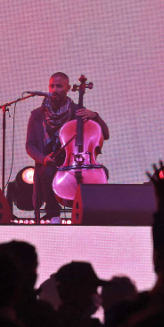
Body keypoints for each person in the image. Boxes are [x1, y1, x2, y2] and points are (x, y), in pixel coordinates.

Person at [26, 72, 111, 221]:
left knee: (101, 172)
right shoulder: (37, 115)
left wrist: (95, 116)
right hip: (49, 160)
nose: (54, 89)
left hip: (75, 159)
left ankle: (91, 212)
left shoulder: (77, 111)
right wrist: (43, 158)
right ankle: (53, 214)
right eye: (51, 86)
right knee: (47, 171)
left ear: (68, 88)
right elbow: (30, 145)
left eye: (59, 86)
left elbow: (105, 134)